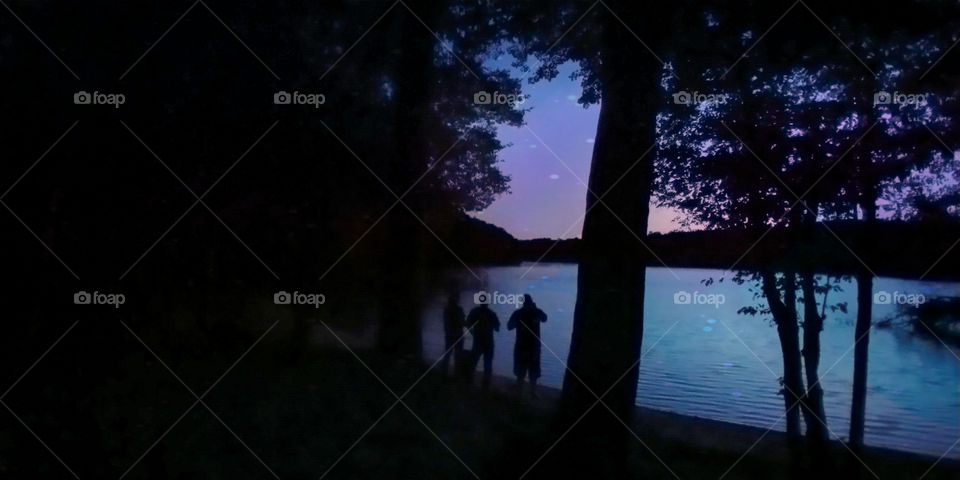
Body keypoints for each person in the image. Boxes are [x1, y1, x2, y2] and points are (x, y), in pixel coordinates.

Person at [507, 294, 547, 396]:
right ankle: (530, 392)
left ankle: (522, 391)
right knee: (530, 372)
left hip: (523, 347)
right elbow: (544, 318)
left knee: (522, 371)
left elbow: (509, 326)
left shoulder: (519, 313)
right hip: (532, 348)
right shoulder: (535, 312)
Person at [466, 300, 500, 388]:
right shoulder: (491, 313)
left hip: (479, 341)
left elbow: (467, 324)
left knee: (474, 362)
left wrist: (472, 332)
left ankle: (470, 382)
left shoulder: (475, 312)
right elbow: (497, 328)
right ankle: (485, 385)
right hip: (488, 342)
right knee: (487, 365)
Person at [441, 293, 465, 378]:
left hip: (450, 335)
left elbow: (446, 324)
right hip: (457, 335)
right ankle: (456, 374)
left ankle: (444, 373)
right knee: (457, 356)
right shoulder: (459, 310)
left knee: (448, 354)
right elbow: (462, 322)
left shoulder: (446, 310)